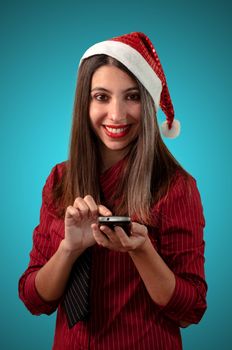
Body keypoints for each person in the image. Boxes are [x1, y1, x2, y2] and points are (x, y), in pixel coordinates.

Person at [18, 32, 207, 350]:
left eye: (132, 96)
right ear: (84, 102)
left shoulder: (176, 187)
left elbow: (190, 309)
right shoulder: (59, 179)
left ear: (147, 102)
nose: (117, 115)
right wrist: (69, 249)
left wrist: (141, 251)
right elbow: (35, 299)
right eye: (102, 97)